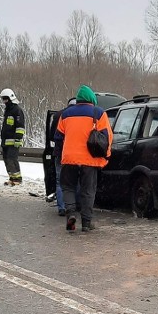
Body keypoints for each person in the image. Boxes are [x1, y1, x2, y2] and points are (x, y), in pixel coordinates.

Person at [56, 85, 113, 232]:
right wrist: (105, 157)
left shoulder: (66, 114)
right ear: (92, 99)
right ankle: (87, 223)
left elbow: (58, 137)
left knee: (68, 187)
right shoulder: (99, 113)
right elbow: (107, 137)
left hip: (69, 159)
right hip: (90, 160)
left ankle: (70, 214)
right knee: (88, 190)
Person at [0, 87, 25, 186]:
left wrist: (18, 138)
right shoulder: (8, 110)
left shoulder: (17, 110)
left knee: (12, 159)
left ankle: (17, 179)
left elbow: (20, 126)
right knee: (6, 159)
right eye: (3, 99)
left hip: (14, 141)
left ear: (11, 98)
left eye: (6, 99)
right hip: (6, 141)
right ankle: (12, 178)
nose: (4, 101)